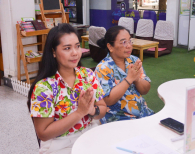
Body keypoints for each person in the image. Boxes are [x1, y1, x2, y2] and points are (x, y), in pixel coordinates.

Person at [27, 23, 106, 154]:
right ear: (53, 52)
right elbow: (44, 133)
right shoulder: (44, 87)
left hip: (89, 135)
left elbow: (102, 109)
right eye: (67, 48)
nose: (75, 53)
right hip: (59, 144)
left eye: (77, 46)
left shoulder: (87, 75)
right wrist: (79, 113)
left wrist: (93, 110)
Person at [95, 25, 154, 123]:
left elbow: (145, 90)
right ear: (110, 47)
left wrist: (137, 80)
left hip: (143, 113)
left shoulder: (134, 60)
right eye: (123, 42)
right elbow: (108, 100)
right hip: (118, 118)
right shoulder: (103, 68)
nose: (129, 46)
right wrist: (129, 79)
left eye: (130, 41)